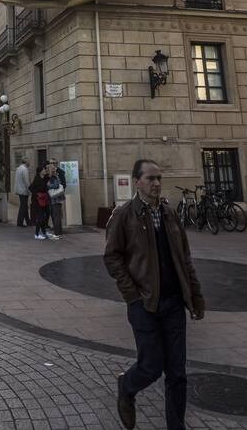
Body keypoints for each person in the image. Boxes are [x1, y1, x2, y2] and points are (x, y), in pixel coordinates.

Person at [104, 158, 205, 430]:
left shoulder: (170, 213)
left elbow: (184, 258)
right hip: (144, 303)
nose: (157, 183)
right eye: (151, 178)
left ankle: (176, 425)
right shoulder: (124, 215)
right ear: (137, 181)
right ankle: (127, 385)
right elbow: (112, 257)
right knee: (151, 366)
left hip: (173, 303)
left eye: (159, 178)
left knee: (177, 372)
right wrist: (132, 296)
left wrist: (194, 296)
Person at [29, 166, 51, 240]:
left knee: (44, 217)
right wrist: (38, 194)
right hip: (38, 201)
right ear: (40, 171)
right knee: (40, 217)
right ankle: (36, 234)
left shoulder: (44, 179)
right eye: (44, 169)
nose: (45, 170)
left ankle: (44, 232)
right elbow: (31, 188)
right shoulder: (37, 179)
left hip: (44, 200)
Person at [47, 163, 65, 238]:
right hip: (57, 199)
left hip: (55, 199)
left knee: (56, 216)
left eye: (48, 169)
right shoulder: (55, 176)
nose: (46, 171)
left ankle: (57, 233)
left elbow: (56, 185)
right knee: (57, 216)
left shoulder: (53, 177)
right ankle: (59, 232)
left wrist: (48, 185)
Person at [14, 157, 31, 227]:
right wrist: (29, 190)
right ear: (26, 162)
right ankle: (20, 222)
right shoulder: (25, 169)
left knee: (24, 206)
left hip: (19, 189)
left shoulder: (18, 168)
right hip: (24, 190)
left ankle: (28, 221)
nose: (29, 163)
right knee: (23, 206)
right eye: (29, 161)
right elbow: (26, 181)